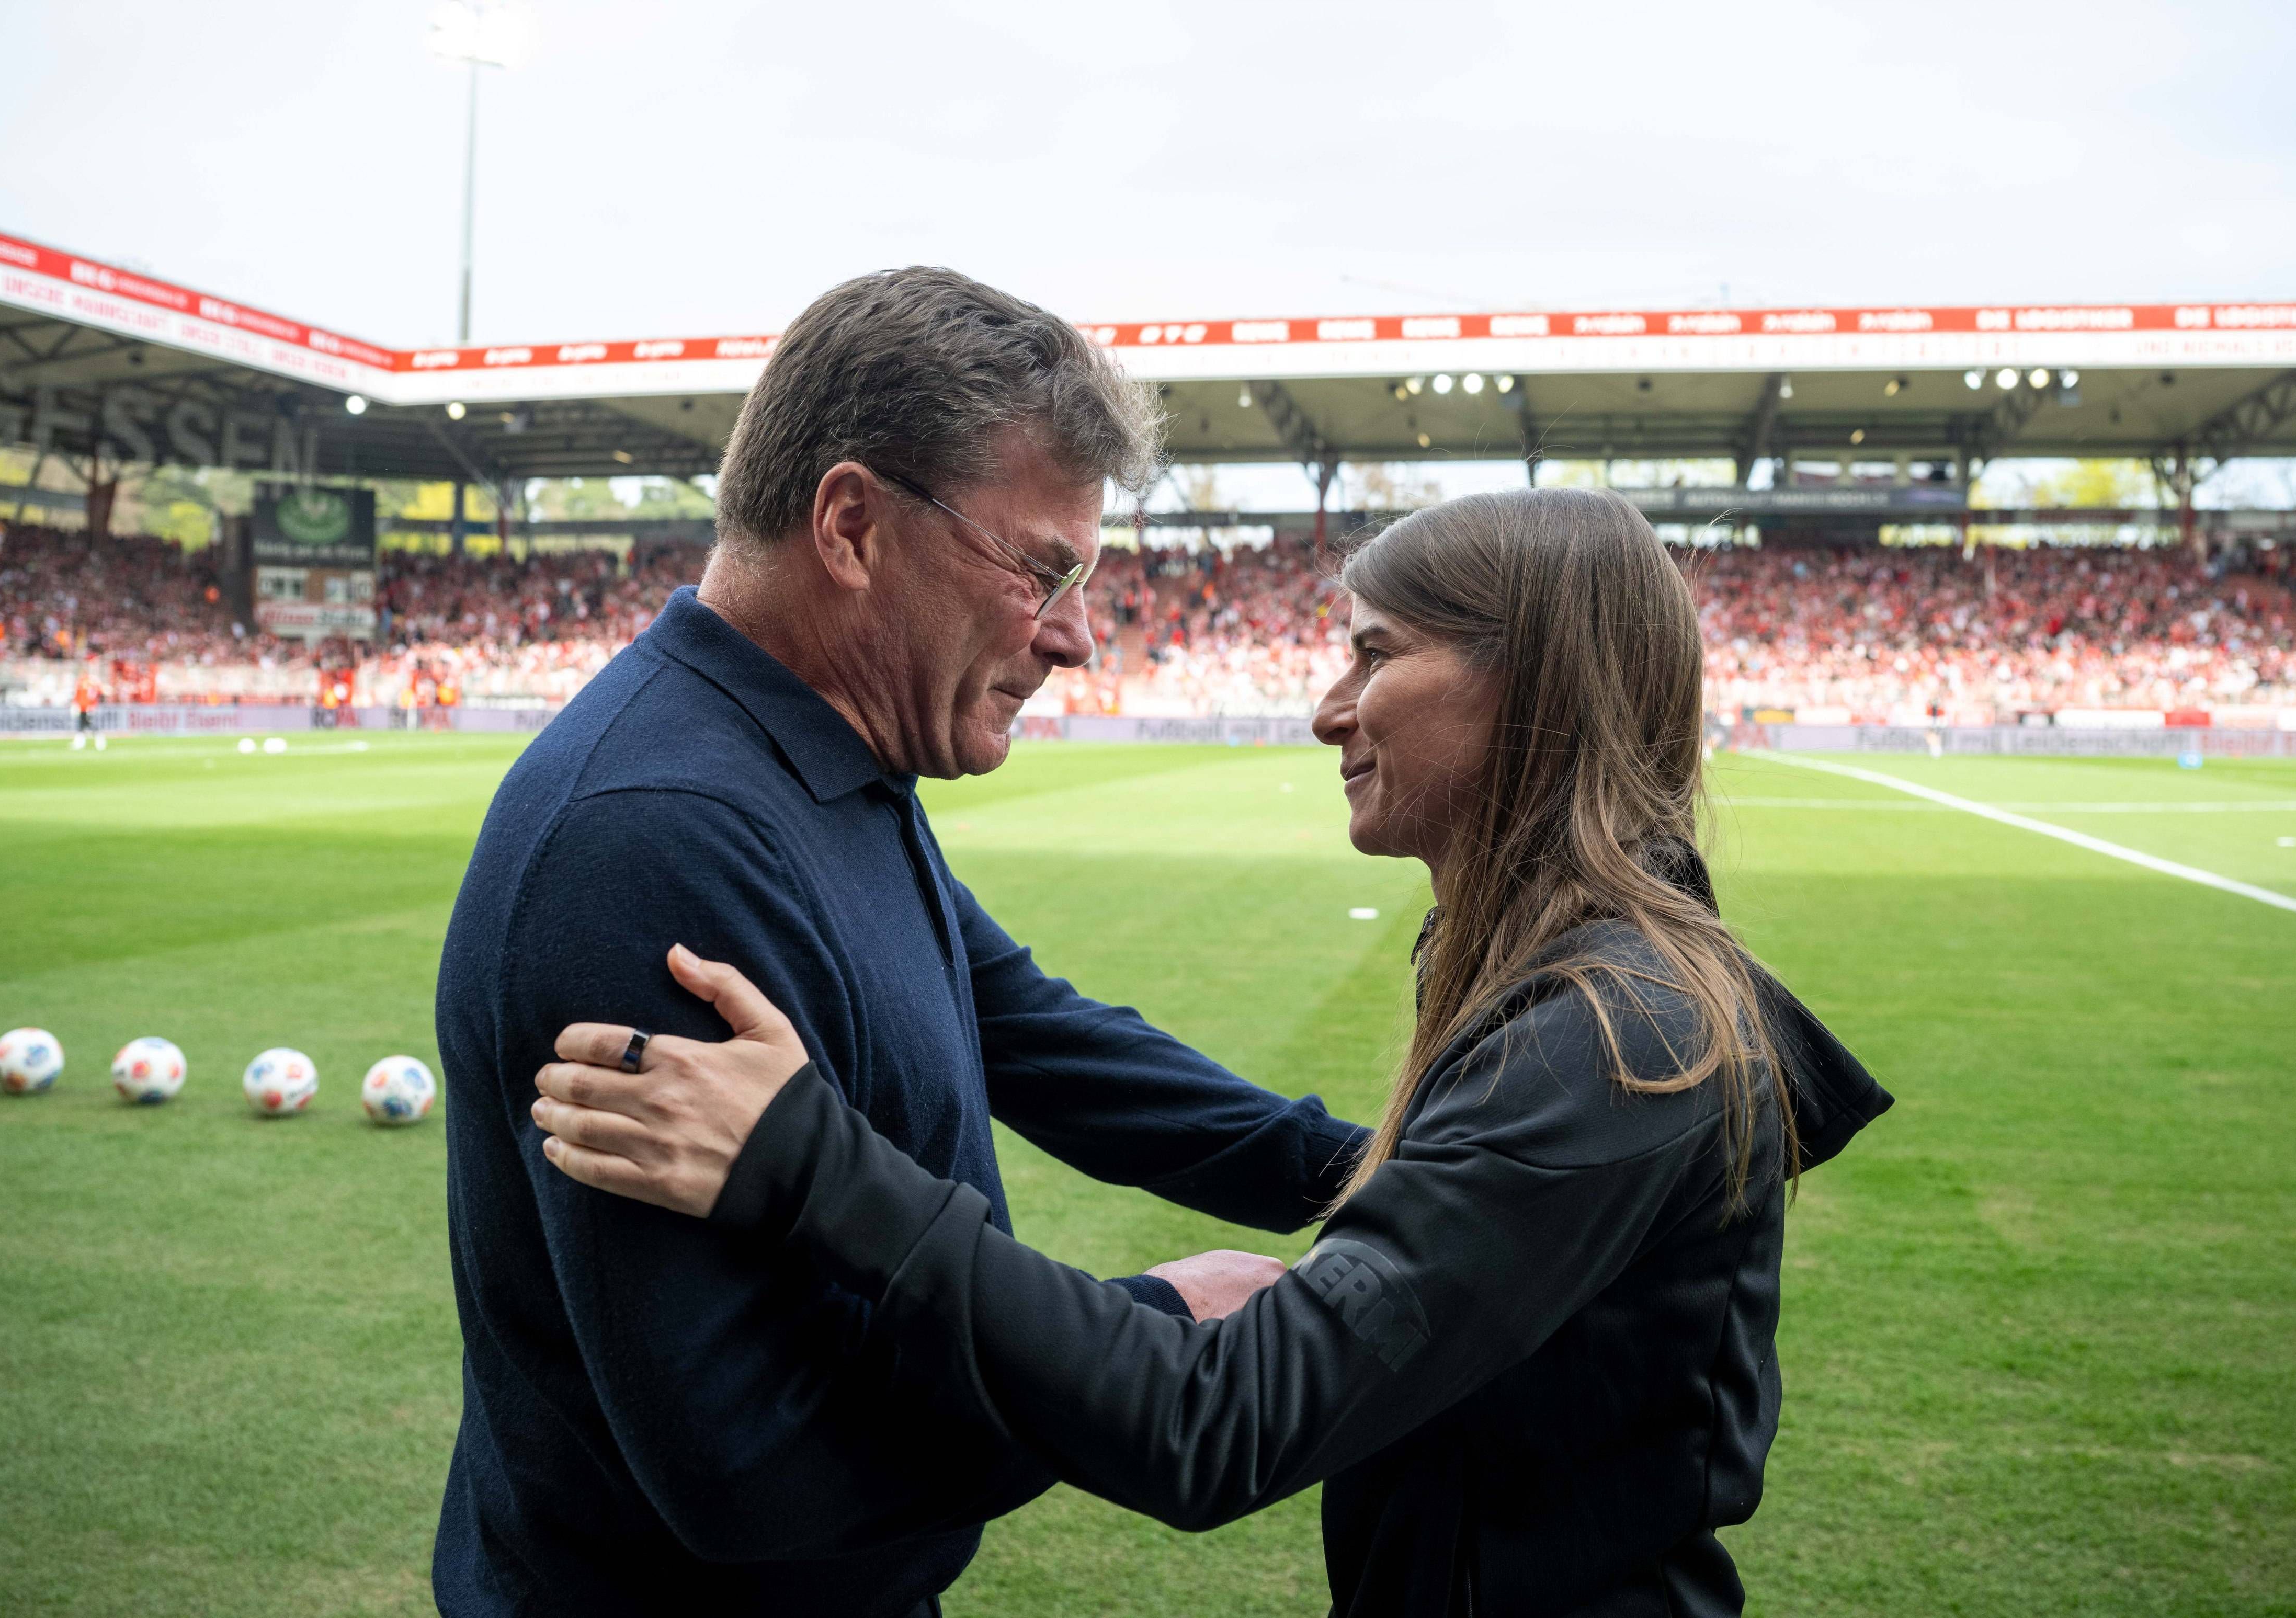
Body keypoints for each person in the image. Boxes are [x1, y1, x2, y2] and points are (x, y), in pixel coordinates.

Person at [530, 488, 1895, 1617]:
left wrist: (817, 1169)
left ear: (1526, 681)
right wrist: (1389, 1179)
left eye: (1372, 653)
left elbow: (1217, 1425)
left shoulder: (1617, 1035)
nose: (1325, 707)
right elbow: (1045, 1036)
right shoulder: (1552, 980)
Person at [431, 267, 1369, 1618]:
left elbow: (1026, 1031)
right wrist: (1151, 1339)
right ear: (853, 525)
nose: (1076, 635)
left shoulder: (814, 760)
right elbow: (752, 1472)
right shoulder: (654, 844)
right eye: (1042, 569)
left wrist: (1356, 1174)